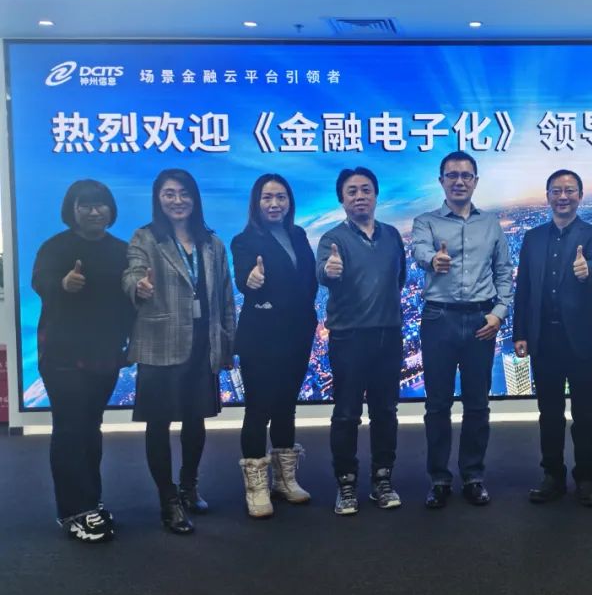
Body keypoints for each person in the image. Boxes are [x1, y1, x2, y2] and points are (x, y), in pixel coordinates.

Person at [122, 168, 236, 535]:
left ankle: (189, 485)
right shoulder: (146, 237)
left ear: (195, 198)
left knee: (195, 420)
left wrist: (227, 342)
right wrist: (138, 287)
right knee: (158, 424)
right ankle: (167, 498)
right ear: (158, 198)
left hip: (203, 343)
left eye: (184, 193)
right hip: (161, 343)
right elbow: (132, 273)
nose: (177, 200)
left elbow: (226, 296)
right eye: (169, 193)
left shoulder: (212, 243)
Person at [32, 180, 133, 543]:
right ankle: (74, 510)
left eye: (100, 204)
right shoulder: (55, 247)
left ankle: (90, 501)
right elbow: (40, 281)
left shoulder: (121, 250)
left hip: (104, 355)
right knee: (70, 429)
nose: (94, 211)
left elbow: (128, 300)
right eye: (85, 205)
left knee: (90, 428)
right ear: (71, 210)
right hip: (62, 355)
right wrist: (64, 283)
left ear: (111, 209)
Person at [412, 151, 513, 509]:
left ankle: (473, 475)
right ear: (441, 181)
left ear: (475, 181)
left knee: (477, 403)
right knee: (437, 404)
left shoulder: (491, 224)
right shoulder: (425, 222)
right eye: (452, 175)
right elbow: (420, 251)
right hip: (438, 319)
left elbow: (504, 272)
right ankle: (439, 479)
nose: (459, 181)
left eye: (466, 175)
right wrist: (433, 260)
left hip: (481, 321)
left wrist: (499, 313)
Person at [513, 169, 592, 507]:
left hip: (581, 339)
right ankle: (552, 475)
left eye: (570, 190)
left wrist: (587, 271)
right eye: (557, 190)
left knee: (586, 413)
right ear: (548, 196)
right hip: (544, 339)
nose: (563, 196)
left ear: (580, 196)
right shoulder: (532, 238)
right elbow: (524, 288)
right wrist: (520, 332)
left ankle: (585, 477)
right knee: (549, 413)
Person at [316, 167, 407, 515]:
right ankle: (347, 483)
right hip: (349, 338)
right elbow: (323, 273)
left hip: (388, 335)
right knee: (346, 414)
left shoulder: (392, 235)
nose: (359, 196)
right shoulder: (332, 239)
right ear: (342, 200)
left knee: (386, 412)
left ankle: (383, 479)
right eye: (351, 191)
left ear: (375, 195)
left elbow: (398, 279)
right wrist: (330, 271)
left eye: (366, 190)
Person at [231, 174, 318, 518]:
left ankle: (284, 479)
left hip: (297, 333)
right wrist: (251, 280)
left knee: (285, 407)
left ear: (289, 202)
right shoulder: (244, 240)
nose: (274, 203)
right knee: (258, 409)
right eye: (267, 197)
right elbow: (244, 278)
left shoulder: (298, 234)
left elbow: (308, 280)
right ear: (256, 202)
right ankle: (256, 486)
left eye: (281, 197)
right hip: (261, 337)